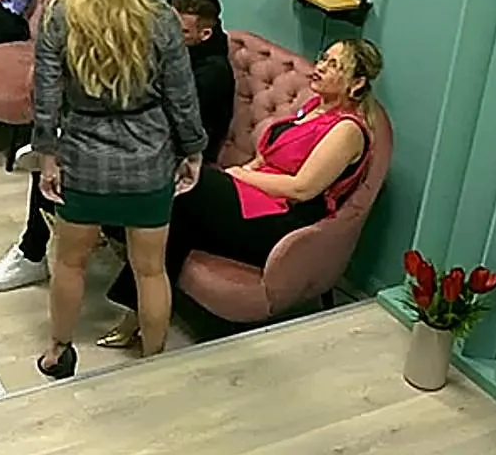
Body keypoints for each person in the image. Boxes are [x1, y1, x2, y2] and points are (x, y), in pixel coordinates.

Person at [100, 38, 384, 348]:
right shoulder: (313, 108)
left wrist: (239, 176)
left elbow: (302, 188)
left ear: (357, 83)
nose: (321, 68)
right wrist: (245, 172)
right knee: (179, 215)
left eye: (334, 65)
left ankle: (116, 228)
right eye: (323, 58)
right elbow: (266, 157)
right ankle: (140, 317)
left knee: (192, 180)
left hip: (283, 221)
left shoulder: (347, 130)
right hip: (255, 197)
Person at [31, 0, 208, 380]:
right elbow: (182, 97)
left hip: (83, 157)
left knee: (70, 263)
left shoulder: (62, 12)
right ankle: (153, 360)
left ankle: (58, 351)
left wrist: (47, 155)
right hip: (149, 158)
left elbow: (45, 95)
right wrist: (193, 150)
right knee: (150, 269)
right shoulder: (162, 19)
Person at [0, 0, 235, 292]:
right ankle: (34, 249)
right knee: (54, 157)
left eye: (182, 31)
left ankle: (40, 251)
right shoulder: (172, 48)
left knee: (64, 162)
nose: (171, 35)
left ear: (204, 34)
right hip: (145, 139)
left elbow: (179, 122)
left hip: (172, 153)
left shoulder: (210, 73)